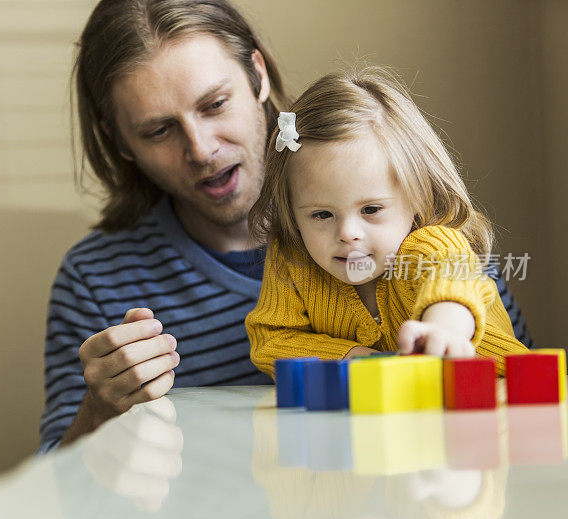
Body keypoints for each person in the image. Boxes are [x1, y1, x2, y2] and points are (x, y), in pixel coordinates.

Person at [38, 0, 532, 453]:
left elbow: (520, 397)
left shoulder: (421, 240)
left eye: (215, 104)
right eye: (158, 130)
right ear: (121, 141)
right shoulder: (96, 279)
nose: (201, 148)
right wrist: (101, 410)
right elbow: (55, 483)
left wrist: (446, 330)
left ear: (257, 75)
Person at [246, 67, 527, 378]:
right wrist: (348, 358)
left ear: (418, 196)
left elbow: (452, 287)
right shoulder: (293, 261)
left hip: (502, 391)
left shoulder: (430, 245)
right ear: (292, 214)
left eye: (371, 210)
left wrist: (443, 331)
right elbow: (270, 340)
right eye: (322, 214)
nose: (348, 234)